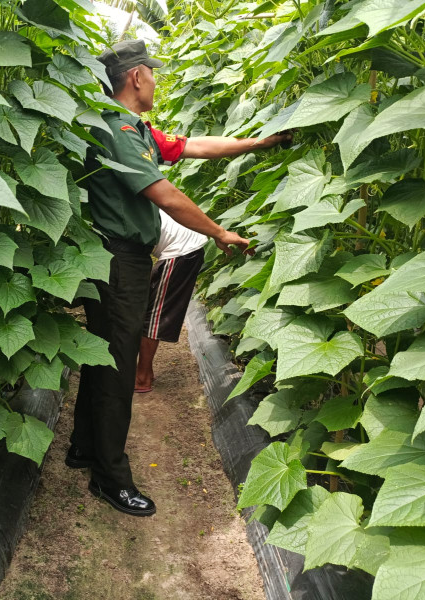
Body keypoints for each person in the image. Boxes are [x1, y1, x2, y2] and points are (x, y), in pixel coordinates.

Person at [65, 39, 291, 517]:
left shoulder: (134, 130)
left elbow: (194, 147)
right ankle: (110, 478)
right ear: (136, 78)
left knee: (103, 353)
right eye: (152, 71)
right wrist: (219, 232)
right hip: (117, 260)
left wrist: (260, 142)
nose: (156, 78)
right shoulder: (118, 129)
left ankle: (85, 448)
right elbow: (165, 196)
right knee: (117, 364)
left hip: (115, 258)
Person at [135, 210, 207, 393]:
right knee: (152, 309)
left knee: (154, 314)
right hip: (185, 249)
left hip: (180, 251)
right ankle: (145, 373)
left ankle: (142, 379)